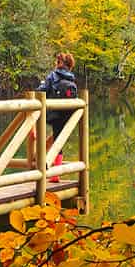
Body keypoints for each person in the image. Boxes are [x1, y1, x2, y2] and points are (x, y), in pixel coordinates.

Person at [37, 52, 77, 183]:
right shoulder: (71, 78)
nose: (56, 64)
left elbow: (42, 90)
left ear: (60, 63)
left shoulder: (54, 75)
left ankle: (50, 171)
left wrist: (36, 90)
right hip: (69, 114)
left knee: (55, 140)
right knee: (59, 140)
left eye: (57, 62)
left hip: (55, 113)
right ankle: (55, 174)